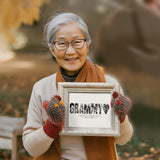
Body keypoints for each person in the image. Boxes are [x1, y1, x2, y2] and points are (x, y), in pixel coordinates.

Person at [22, 12, 133, 160]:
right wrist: (52, 125)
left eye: (77, 42)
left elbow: (123, 139)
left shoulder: (108, 86)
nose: (70, 51)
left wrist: (122, 117)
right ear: (52, 49)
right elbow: (31, 149)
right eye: (61, 43)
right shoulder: (42, 88)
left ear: (87, 44)